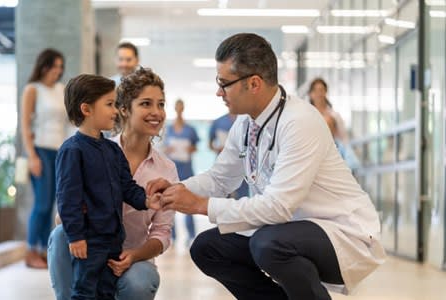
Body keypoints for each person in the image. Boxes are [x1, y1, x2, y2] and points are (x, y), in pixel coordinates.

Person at [147, 33, 386, 300]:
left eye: (224, 84)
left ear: (254, 84)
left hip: (343, 232)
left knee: (269, 245)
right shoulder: (247, 123)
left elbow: (278, 206)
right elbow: (221, 177)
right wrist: (177, 189)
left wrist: (200, 205)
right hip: (288, 229)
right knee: (207, 247)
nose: (219, 92)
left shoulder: (300, 121)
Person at [48, 68, 177, 300]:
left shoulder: (156, 166)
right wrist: (77, 232)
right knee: (62, 240)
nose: (156, 112)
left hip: (120, 249)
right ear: (125, 109)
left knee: (120, 288)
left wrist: (149, 201)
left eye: (161, 104)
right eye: (146, 103)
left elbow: (130, 192)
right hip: (89, 241)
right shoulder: (75, 150)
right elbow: (67, 201)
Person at [21, 48, 69, 269]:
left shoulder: (61, 89)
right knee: (41, 204)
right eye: (54, 66)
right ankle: (31, 251)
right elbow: (24, 125)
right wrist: (32, 156)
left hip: (60, 151)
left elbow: (68, 122)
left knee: (53, 205)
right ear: (44, 66)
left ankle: (43, 251)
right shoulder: (33, 89)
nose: (57, 71)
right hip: (40, 150)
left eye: (60, 67)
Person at [164, 99, 198, 245]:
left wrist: (190, 149)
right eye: (176, 106)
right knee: (171, 203)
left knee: (188, 201)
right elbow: (163, 147)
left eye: (180, 106)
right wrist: (168, 150)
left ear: (183, 108)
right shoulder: (168, 129)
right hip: (172, 169)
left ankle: (191, 235)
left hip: (186, 168)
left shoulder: (190, 129)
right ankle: (172, 236)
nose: (179, 109)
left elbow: (196, 147)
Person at [309, 78, 360, 169]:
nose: (318, 94)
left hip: (330, 157)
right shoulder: (306, 116)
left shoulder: (333, 116)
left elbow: (344, 139)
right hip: (311, 156)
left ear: (326, 92)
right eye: (315, 90)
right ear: (310, 94)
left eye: (321, 90)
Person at [209, 113, 249, 198]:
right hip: (223, 167)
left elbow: (247, 150)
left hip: (243, 169)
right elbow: (210, 144)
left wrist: (241, 155)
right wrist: (219, 149)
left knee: (242, 200)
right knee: (221, 199)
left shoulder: (247, 121)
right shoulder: (218, 122)